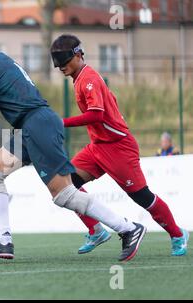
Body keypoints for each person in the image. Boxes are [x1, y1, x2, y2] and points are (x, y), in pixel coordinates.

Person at [0, 24, 146, 262]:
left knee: (64, 195)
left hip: (37, 126)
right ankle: (3, 241)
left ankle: (128, 228)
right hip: (30, 127)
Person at [50, 34, 188, 256]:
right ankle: (96, 230)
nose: (60, 67)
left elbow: (96, 115)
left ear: (78, 54)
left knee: (142, 197)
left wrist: (61, 123)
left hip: (118, 147)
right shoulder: (80, 78)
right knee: (66, 184)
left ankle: (177, 234)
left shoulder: (89, 79)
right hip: (98, 146)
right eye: (57, 63)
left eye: (64, 61)